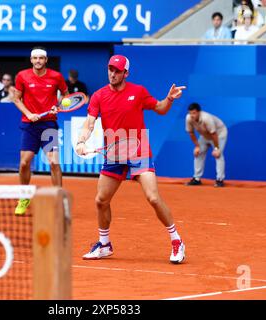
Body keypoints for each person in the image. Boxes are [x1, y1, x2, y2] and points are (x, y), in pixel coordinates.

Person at [75, 55, 187, 263]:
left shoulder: (138, 92)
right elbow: (89, 123)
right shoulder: (99, 95)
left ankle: (176, 240)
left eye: (117, 70)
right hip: (114, 152)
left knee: (153, 197)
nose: (112, 73)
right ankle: (104, 244)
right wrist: (81, 141)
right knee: (101, 200)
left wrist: (169, 98)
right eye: (110, 69)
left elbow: (161, 109)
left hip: (138, 149)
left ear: (126, 73)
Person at [13, 47, 69, 215]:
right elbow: (16, 98)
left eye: (41, 58)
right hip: (29, 126)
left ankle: (58, 199)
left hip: (49, 124)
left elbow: (66, 95)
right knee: (24, 163)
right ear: (31, 60)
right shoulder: (22, 76)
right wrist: (29, 114)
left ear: (46, 60)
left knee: (54, 162)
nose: (38, 61)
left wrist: (57, 107)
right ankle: (23, 197)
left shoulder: (56, 77)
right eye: (35, 58)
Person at [185, 103, 228, 188]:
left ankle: (220, 179)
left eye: (194, 113)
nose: (192, 115)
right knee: (198, 153)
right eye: (190, 113)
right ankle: (196, 179)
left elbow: (214, 134)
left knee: (218, 155)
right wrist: (197, 146)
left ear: (199, 112)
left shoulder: (206, 118)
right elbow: (191, 133)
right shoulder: (188, 118)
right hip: (205, 135)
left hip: (219, 134)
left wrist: (216, 148)